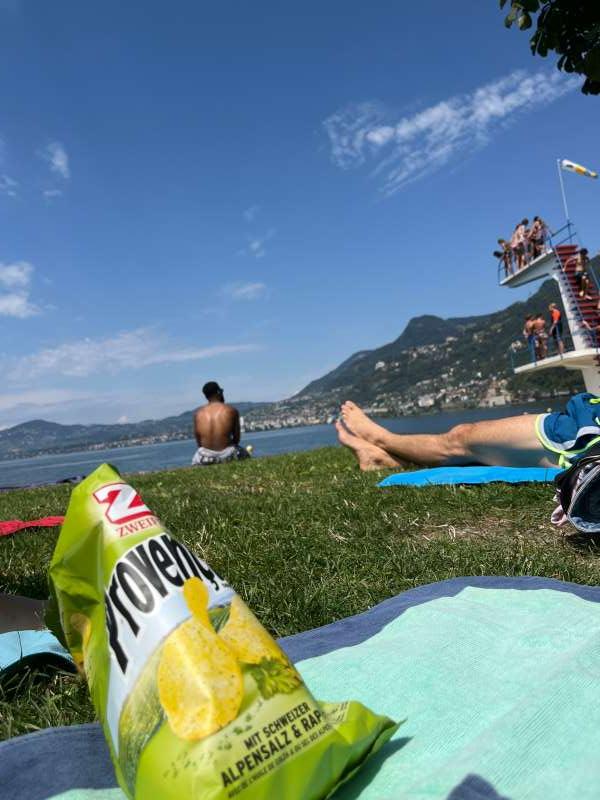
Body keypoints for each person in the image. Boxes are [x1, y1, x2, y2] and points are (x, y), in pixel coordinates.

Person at [336, 393, 600, 472]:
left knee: (461, 439)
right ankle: (385, 459)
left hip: (577, 436)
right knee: (476, 449)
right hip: (580, 425)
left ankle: (381, 439)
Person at [192, 381, 251, 466]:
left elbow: (199, 444)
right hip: (228, 456)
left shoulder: (197, 415)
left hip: (204, 458)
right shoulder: (231, 411)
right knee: (245, 454)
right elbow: (236, 439)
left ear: (206, 396)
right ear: (219, 392)